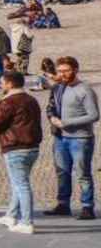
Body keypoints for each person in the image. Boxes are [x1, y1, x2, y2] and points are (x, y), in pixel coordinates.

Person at [0, 69, 44, 234]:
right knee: (17, 183)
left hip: (16, 147)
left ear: (10, 83)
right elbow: (16, 118)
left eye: (2, 82)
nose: (0, 84)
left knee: (22, 185)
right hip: (32, 147)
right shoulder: (31, 99)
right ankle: (11, 215)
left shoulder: (8, 102)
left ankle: (26, 222)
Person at [45, 56, 99, 219]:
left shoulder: (85, 90)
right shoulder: (57, 88)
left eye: (66, 70)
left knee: (83, 173)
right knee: (62, 172)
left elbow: (94, 115)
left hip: (80, 138)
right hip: (60, 137)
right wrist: (52, 118)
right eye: (60, 71)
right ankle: (63, 204)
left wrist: (67, 122)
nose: (62, 74)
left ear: (75, 70)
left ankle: (87, 206)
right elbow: (50, 107)